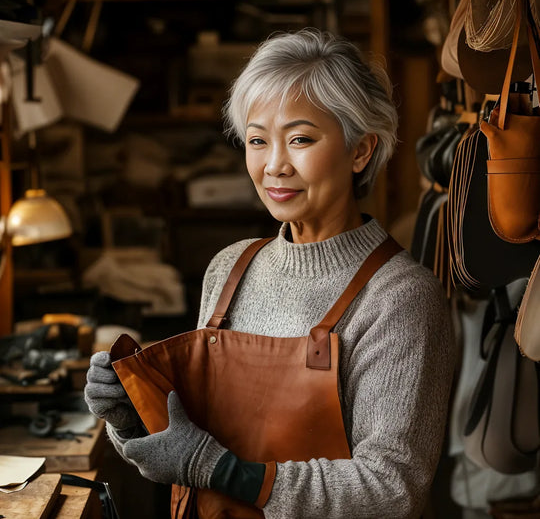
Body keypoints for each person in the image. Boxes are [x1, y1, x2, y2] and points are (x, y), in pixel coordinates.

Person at [85, 28, 455, 518]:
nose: (274, 165)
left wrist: (221, 471)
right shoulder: (229, 269)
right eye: (257, 140)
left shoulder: (400, 298)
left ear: (361, 150)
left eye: (300, 139)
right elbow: (193, 445)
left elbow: (391, 490)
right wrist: (132, 415)